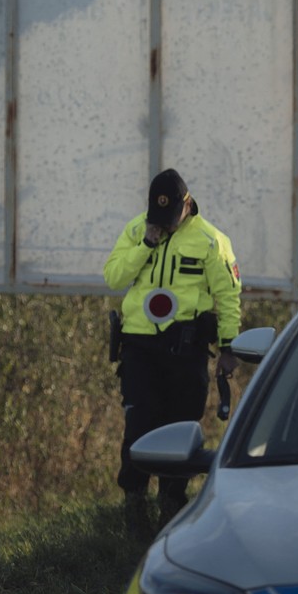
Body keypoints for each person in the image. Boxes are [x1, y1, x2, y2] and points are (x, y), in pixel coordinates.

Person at [103, 169, 242, 537]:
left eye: (168, 218)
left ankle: (172, 506)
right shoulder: (138, 230)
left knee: (180, 427)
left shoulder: (211, 241)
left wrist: (229, 348)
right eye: (155, 217)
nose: (161, 224)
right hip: (140, 348)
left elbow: (228, 297)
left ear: (186, 204)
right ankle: (134, 504)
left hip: (186, 349)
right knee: (139, 425)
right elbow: (114, 277)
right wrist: (146, 245)